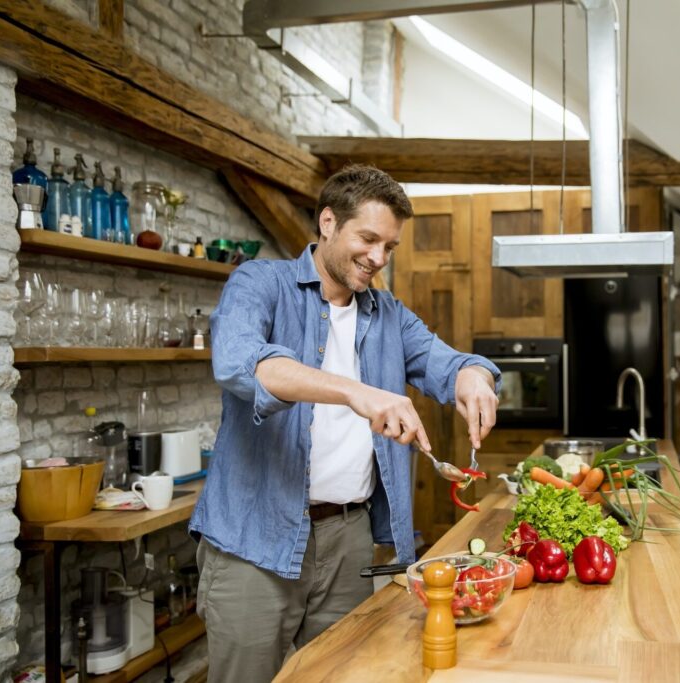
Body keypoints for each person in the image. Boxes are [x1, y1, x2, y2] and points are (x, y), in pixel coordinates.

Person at [189, 164, 500, 682]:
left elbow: (446, 362)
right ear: (328, 222)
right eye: (369, 239)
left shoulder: (388, 314)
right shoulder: (260, 283)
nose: (378, 258)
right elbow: (242, 363)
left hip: (349, 539)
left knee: (344, 675)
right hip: (254, 539)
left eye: (390, 247)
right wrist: (356, 392)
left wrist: (472, 376)